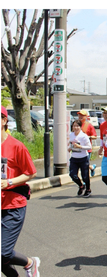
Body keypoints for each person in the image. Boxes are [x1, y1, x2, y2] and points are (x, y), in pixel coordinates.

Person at [1, 106, 40, 277]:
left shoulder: (16, 146)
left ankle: (30, 263)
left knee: (3, 252)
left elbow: (31, 172)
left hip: (13, 204)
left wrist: (8, 182)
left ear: (4, 121)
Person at [68, 120, 92, 197]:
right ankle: (81, 186)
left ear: (80, 127)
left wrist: (80, 146)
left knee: (85, 176)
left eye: (77, 126)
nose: (75, 128)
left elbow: (89, 147)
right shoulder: (71, 135)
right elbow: (71, 144)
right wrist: (69, 148)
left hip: (83, 158)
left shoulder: (84, 136)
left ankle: (88, 189)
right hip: (74, 158)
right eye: (74, 126)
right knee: (72, 174)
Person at [77, 110, 97, 177]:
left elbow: (95, 136)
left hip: (87, 149)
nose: (80, 117)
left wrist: (89, 137)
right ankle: (92, 167)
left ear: (86, 116)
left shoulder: (89, 125)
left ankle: (85, 181)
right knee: (81, 164)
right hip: (77, 149)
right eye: (79, 115)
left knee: (84, 165)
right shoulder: (76, 125)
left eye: (82, 115)